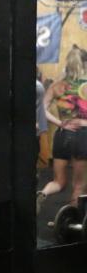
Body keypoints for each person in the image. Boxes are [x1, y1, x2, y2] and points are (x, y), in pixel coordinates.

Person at [37, 46, 87, 213]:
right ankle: (73, 220)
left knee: (58, 182)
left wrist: (60, 123)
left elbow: (41, 110)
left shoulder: (57, 86)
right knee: (79, 186)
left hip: (62, 135)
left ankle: (43, 193)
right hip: (82, 136)